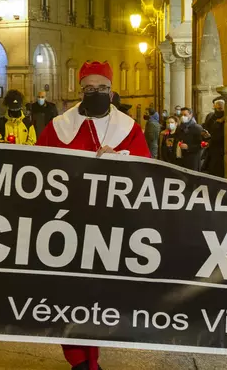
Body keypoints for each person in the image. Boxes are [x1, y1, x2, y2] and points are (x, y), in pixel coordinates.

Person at [36, 61, 149, 370]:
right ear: (80, 90)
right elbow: (37, 167)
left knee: (100, 294)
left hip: (110, 227)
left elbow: (146, 171)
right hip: (67, 224)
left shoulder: (129, 128)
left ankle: (93, 355)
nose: (96, 92)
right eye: (89, 88)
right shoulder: (59, 127)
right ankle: (79, 359)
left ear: (111, 92)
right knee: (69, 293)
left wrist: (121, 161)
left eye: (102, 88)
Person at [202, 98, 227, 178]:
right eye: (216, 108)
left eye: (220, 109)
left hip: (221, 148)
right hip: (211, 148)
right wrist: (205, 135)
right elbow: (206, 128)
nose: (217, 111)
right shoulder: (211, 116)